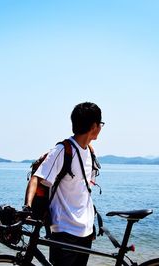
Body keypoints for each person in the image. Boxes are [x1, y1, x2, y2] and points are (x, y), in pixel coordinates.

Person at [24, 102, 104, 266]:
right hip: (65, 230)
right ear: (94, 126)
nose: (101, 128)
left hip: (86, 230)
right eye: (100, 124)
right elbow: (37, 178)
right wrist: (27, 207)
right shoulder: (62, 150)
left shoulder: (90, 151)